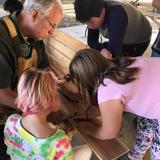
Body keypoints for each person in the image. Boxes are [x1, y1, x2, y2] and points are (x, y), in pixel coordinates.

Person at [69, 48, 160, 160]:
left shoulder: (106, 89)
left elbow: (109, 133)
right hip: (156, 98)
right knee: (145, 126)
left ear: (86, 80)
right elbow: (111, 104)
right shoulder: (118, 63)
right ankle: (135, 156)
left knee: (157, 152)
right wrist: (87, 115)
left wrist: (89, 129)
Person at [0, 0, 63, 158]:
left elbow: (44, 67)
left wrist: (51, 78)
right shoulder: (2, 38)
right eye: (52, 25)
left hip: (23, 109)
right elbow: (2, 93)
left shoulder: (35, 36)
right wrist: (39, 111)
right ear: (34, 15)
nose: (52, 33)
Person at [4, 68, 92, 160]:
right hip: (58, 147)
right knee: (86, 150)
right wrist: (67, 139)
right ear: (51, 101)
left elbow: (11, 146)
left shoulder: (11, 120)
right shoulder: (58, 141)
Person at [74, 0, 152, 58]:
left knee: (122, 66)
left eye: (91, 22)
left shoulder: (116, 14)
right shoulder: (92, 12)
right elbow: (91, 41)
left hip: (139, 39)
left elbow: (113, 53)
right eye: (86, 23)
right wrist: (101, 49)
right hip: (121, 34)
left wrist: (103, 50)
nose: (89, 26)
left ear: (102, 11)